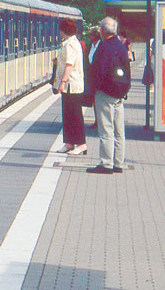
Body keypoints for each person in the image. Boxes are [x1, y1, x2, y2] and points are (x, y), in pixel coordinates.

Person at [87, 16, 131, 174]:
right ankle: (118, 163)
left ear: (102, 30)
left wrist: (95, 88)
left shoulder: (104, 47)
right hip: (120, 93)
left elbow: (99, 70)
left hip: (105, 92)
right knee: (119, 131)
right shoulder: (120, 46)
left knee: (106, 129)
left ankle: (106, 163)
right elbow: (127, 68)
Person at [53, 18, 87, 155]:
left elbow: (69, 64)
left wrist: (62, 82)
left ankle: (81, 144)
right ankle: (69, 143)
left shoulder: (71, 45)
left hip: (72, 85)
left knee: (75, 116)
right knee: (68, 115)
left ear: (64, 30)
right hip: (69, 86)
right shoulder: (68, 44)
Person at [84, 26, 101, 128]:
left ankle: (101, 121)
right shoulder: (90, 45)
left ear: (96, 36)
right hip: (91, 77)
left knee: (99, 100)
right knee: (94, 100)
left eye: (91, 34)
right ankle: (97, 121)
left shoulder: (102, 45)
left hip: (98, 77)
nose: (89, 36)